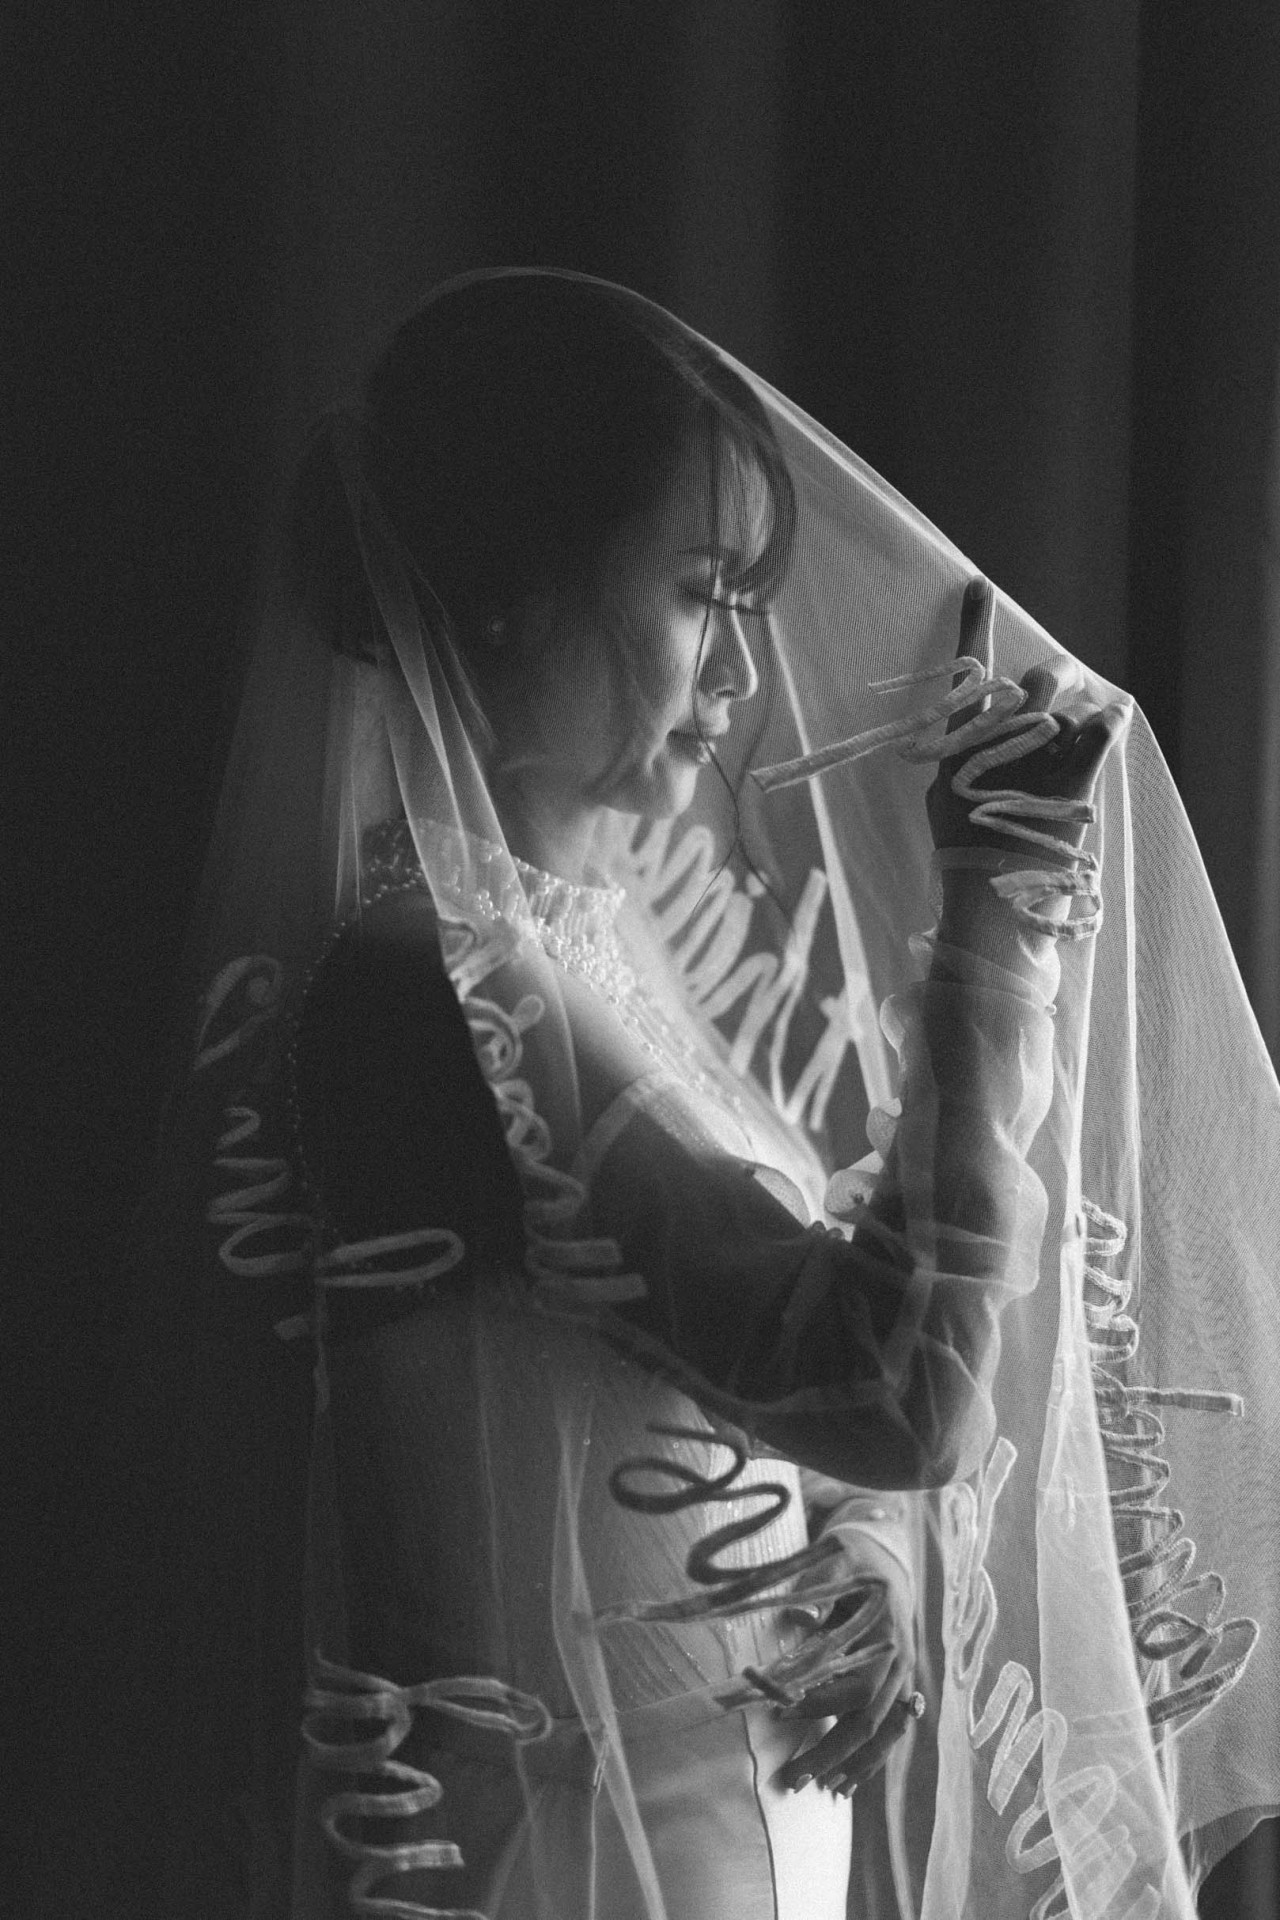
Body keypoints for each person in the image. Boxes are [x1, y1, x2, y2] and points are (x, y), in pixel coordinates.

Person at [143, 270, 1280, 1919]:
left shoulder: (591, 959)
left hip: (727, 1837)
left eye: (751, 603)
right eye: (699, 594)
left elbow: (764, 1392)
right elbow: (887, 1389)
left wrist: (865, 1555)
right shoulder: (429, 993)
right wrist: (994, 928)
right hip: (573, 1863)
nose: (743, 673)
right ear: (511, 594)